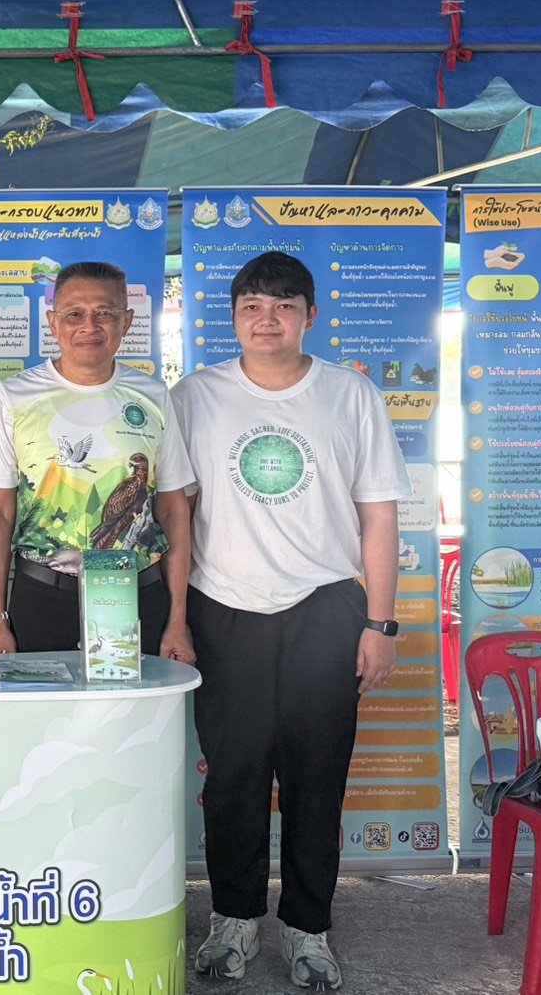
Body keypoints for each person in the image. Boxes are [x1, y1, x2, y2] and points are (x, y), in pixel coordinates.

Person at [170, 252, 408, 991]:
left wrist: (381, 625)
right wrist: (176, 617)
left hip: (325, 609)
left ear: (311, 315)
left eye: (282, 306)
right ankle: (233, 920)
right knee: (232, 778)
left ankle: (308, 927)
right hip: (223, 608)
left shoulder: (350, 395)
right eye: (251, 306)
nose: (265, 319)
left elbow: (379, 516)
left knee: (316, 777)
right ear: (232, 317)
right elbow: (176, 515)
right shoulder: (194, 396)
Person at [0, 261, 195, 660]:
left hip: (135, 596)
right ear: (53, 323)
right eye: (74, 314)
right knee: (43, 700)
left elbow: (173, 509)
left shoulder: (153, 397)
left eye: (104, 313)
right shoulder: (16, 398)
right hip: (43, 598)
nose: (89, 326)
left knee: (133, 702)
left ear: (127, 322)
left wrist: (178, 619)